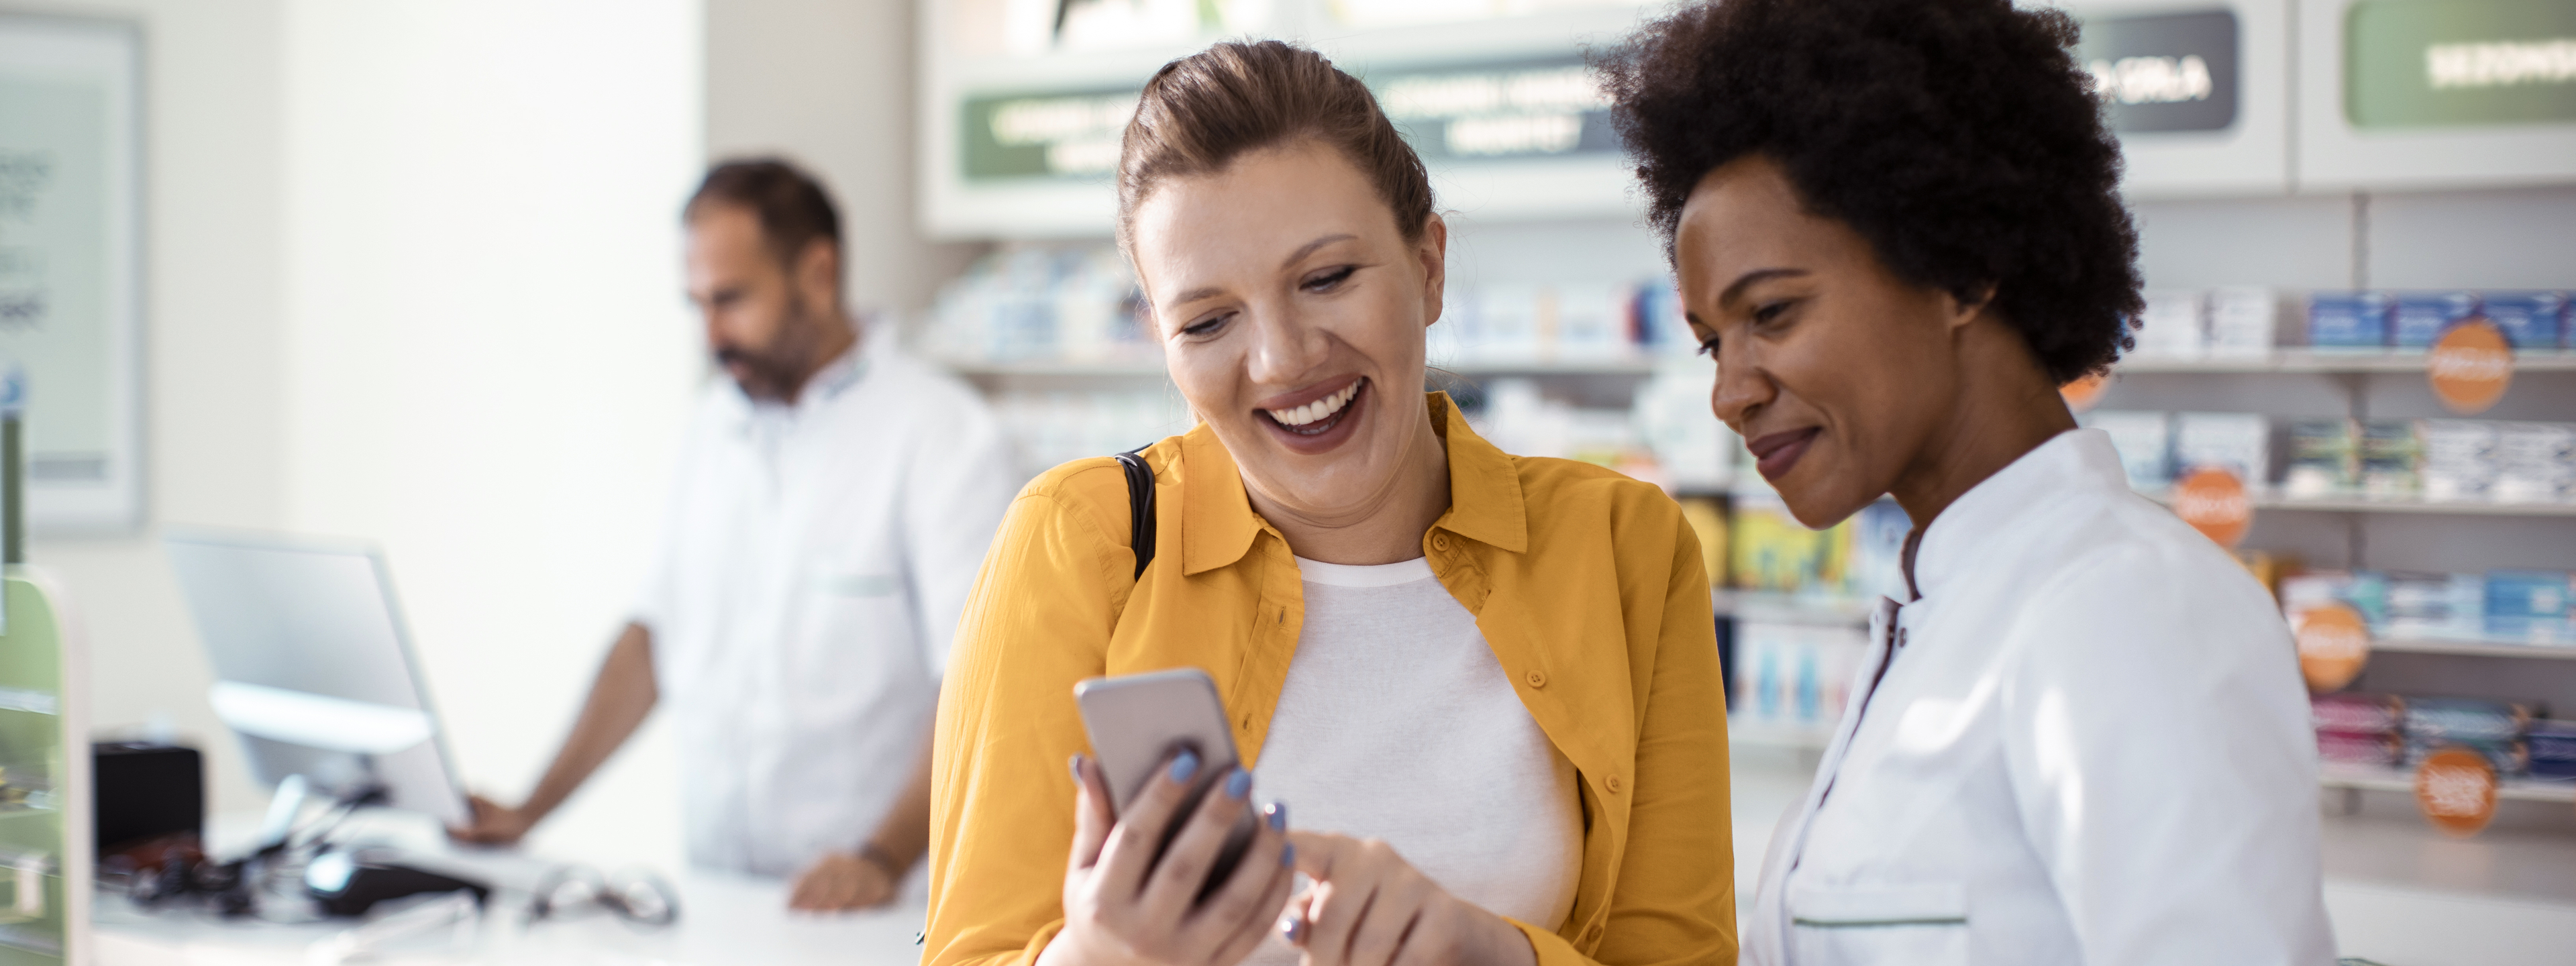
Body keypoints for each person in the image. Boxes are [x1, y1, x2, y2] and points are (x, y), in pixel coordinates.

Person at [925, 40, 1736, 966]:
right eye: (1207, 321)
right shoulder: (1079, 540)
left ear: (1428, 265)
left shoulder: (1621, 546)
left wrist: (1486, 953)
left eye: (1325, 278)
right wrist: (1099, 955)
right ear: (1160, 341)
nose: (1279, 360)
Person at [1599, 1, 2335, 963]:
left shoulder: (2126, 612)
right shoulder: (1943, 609)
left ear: (1960, 269)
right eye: (1709, 344)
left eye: (1771, 312)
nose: (1728, 393)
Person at [448, 159, 1019, 912]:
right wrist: (531, 809)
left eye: (732, 300)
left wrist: (879, 857)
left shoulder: (943, 437)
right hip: (720, 902)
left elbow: (982, 682)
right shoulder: (713, 426)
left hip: (878, 906)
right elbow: (653, 640)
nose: (711, 335)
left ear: (817, 272)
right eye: (696, 305)